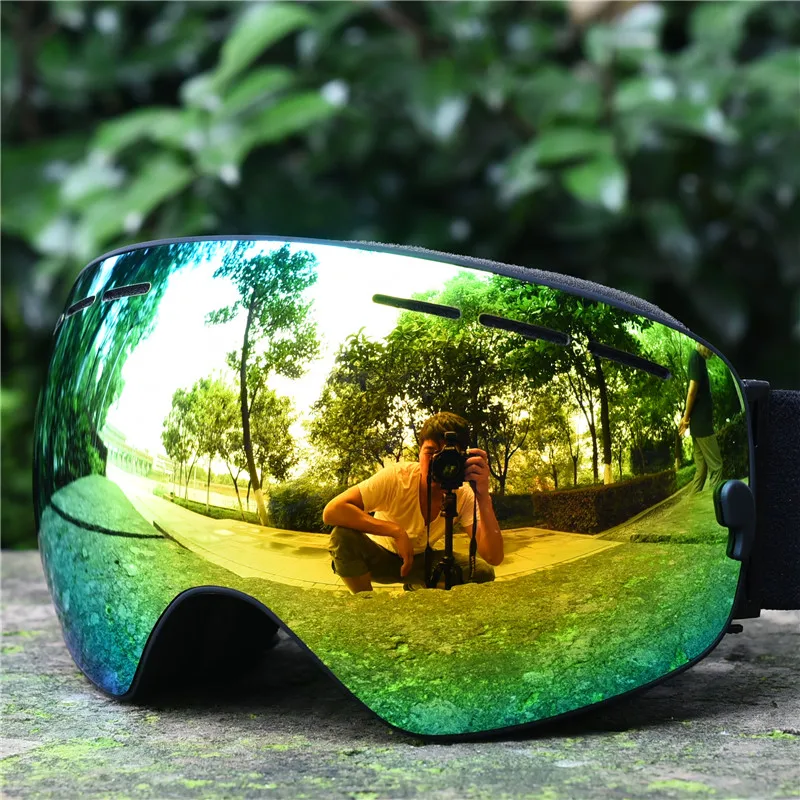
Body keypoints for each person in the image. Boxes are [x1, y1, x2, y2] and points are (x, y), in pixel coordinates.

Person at [323, 412, 504, 594]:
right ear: (419, 453)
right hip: (378, 556)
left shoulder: (463, 493)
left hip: (423, 561)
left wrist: (483, 495)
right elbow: (332, 511)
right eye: (431, 452)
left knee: (482, 572)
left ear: (463, 459)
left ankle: (417, 586)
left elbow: (493, 556)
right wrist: (396, 532)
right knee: (342, 536)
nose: (438, 461)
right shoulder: (397, 477)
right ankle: (365, 602)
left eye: (448, 456)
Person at [678, 343, 723, 493]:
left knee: (701, 469)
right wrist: (685, 419)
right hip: (702, 425)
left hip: (699, 425)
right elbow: (692, 391)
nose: (713, 352)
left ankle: (691, 505)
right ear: (702, 343)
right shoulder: (696, 358)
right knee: (717, 467)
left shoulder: (699, 359)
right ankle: (715, 504)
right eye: (711, 347)